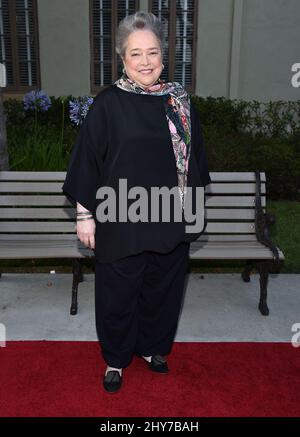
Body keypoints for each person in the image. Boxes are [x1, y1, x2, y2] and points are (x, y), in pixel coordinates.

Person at [62, 12, 211, 393]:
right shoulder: (108, 103)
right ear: (122, 58)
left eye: (153, 52)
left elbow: (193, 161)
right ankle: (116, 358)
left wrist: (192, 214)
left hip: (169, 215)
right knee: (119, 295)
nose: (146, 62)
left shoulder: (178, 100)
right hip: (120, 217)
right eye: (136, 54)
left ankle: (151, 348)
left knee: (163, 290)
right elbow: (87, 162)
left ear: (164, 55)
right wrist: (85, 217)